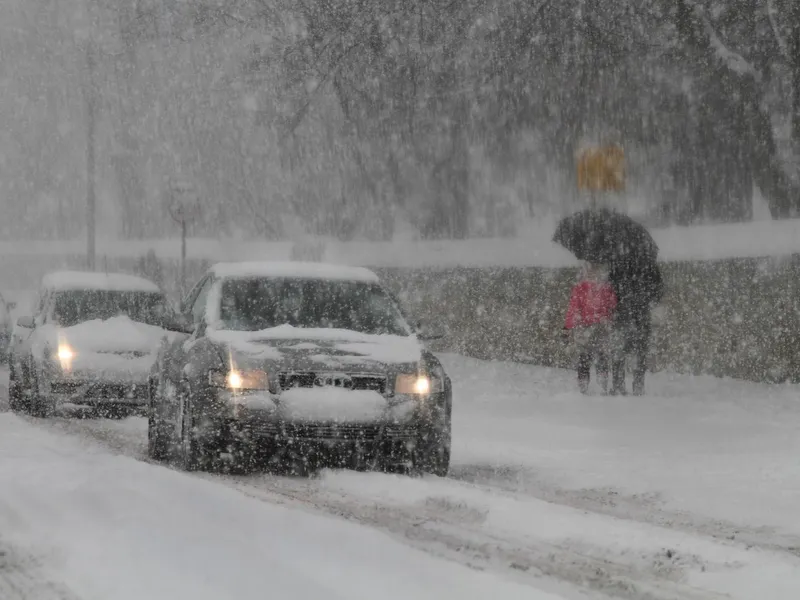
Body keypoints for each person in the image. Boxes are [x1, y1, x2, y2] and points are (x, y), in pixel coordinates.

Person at [608, 258, 664, 396]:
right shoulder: (648, 264)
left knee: (620, 352)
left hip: (624, 313)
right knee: (639, 351)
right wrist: (646, 298)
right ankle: (637, 385)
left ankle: (618, 385)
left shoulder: (617, 262)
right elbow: (658, 291)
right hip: (640, 313)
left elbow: (611, 288)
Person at [563, 262, 618, 394]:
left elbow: (574, 309)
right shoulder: (604, 287)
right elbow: (613, 305)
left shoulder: (581, 288)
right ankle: (599, 385)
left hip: (587, 327)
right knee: (598, 357)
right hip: (599, 326)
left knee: (587, 358)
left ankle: (586, 387)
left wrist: (567, 327)